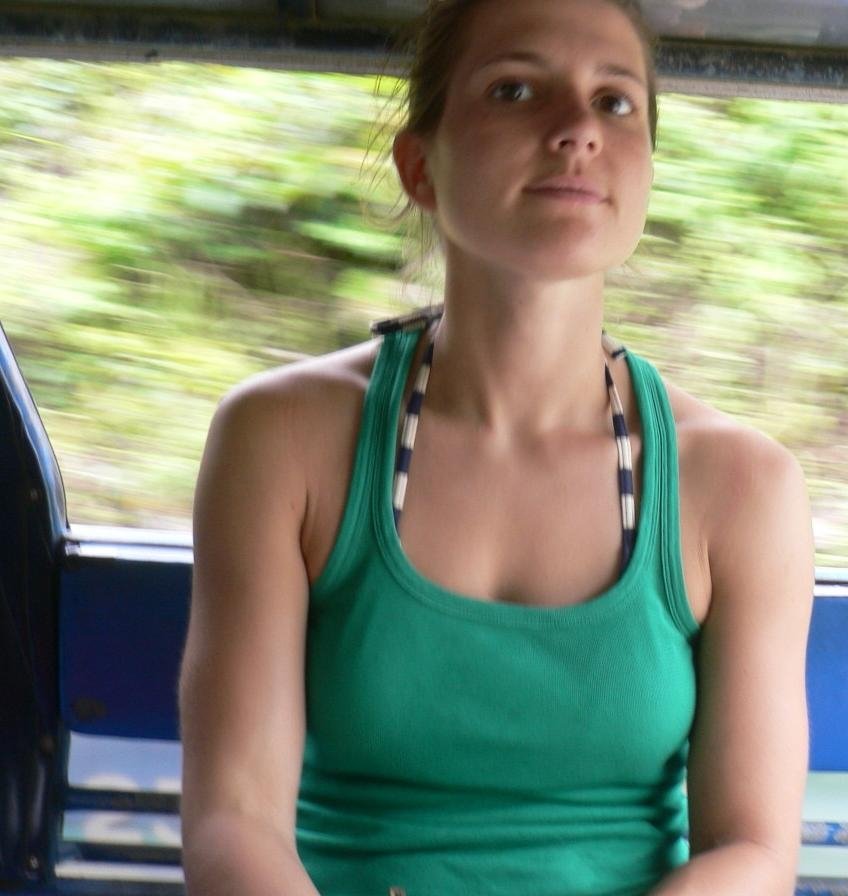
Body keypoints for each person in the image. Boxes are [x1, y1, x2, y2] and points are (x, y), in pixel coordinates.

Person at [178, 0, 813, 892]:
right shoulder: (282, 440)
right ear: (420, 166)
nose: (578, 130)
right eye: (516, 90)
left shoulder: (739, 487)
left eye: (615, 102)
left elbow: (751, 853)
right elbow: (234, 823)